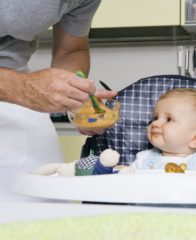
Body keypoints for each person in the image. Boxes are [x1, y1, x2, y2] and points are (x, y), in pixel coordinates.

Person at [0, 0, 116, 201]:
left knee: (47, 204)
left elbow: (71, 50)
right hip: (17, 88)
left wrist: (72, 96)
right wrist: (22, 87)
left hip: (17, 96)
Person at [129, 88, 196, 176]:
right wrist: (123, 171)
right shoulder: (143, 158)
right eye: (155, 118)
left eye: (169, 119)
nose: (155, 123)